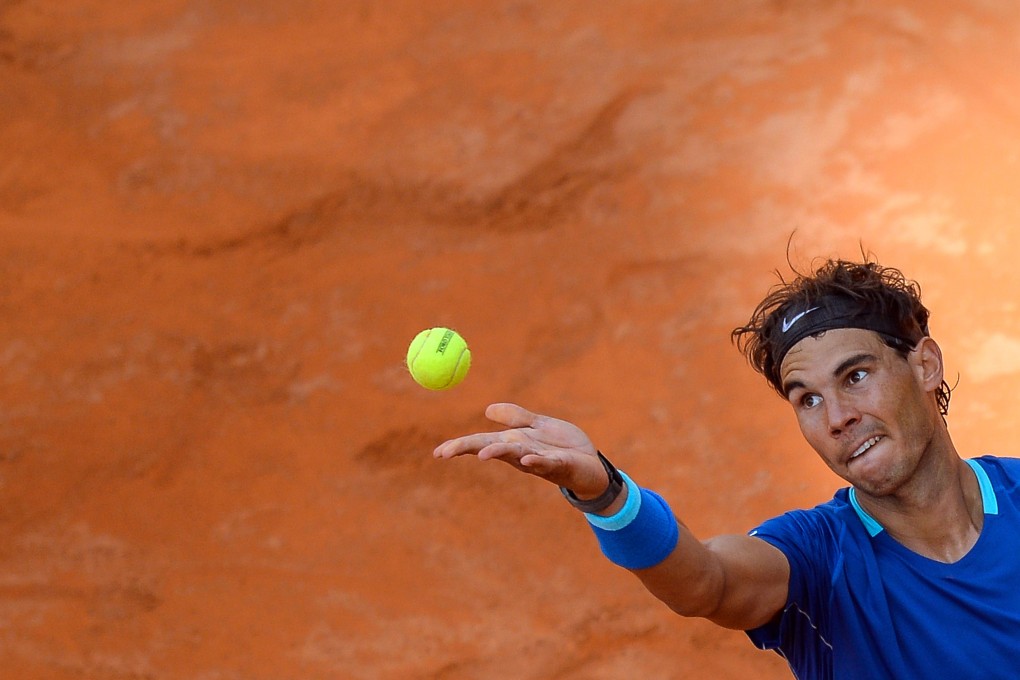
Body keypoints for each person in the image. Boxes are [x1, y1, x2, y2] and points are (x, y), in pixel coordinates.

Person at [433, 258, 1020, 679]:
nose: (837, 417)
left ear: (925, 366)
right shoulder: (818, 559)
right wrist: (608, 496)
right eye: (806, 398)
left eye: (856, 376)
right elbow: (705, 581)